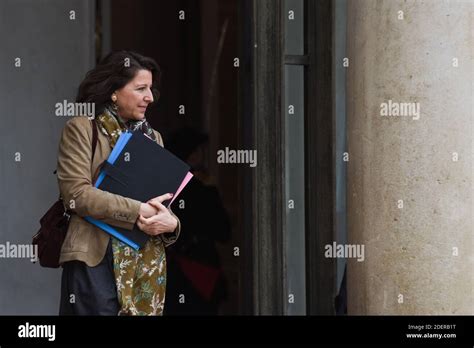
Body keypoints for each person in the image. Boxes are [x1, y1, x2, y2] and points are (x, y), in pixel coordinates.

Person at [57, 51, 180, 316]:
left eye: (150, 89)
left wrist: (172, 224)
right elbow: (76, 195)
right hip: (95, 261)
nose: (150, 96)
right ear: (114, 91)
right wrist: (137, 211)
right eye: (140, 88)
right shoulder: (81, 128)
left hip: (143, 265)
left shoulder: (153, 137)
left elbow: (160, 203)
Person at [164, 127, 231, 315]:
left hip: (172, 276)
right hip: (200, 274)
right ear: (192, 156)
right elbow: (223, 232)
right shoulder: (203, 191)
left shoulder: (163, 188)